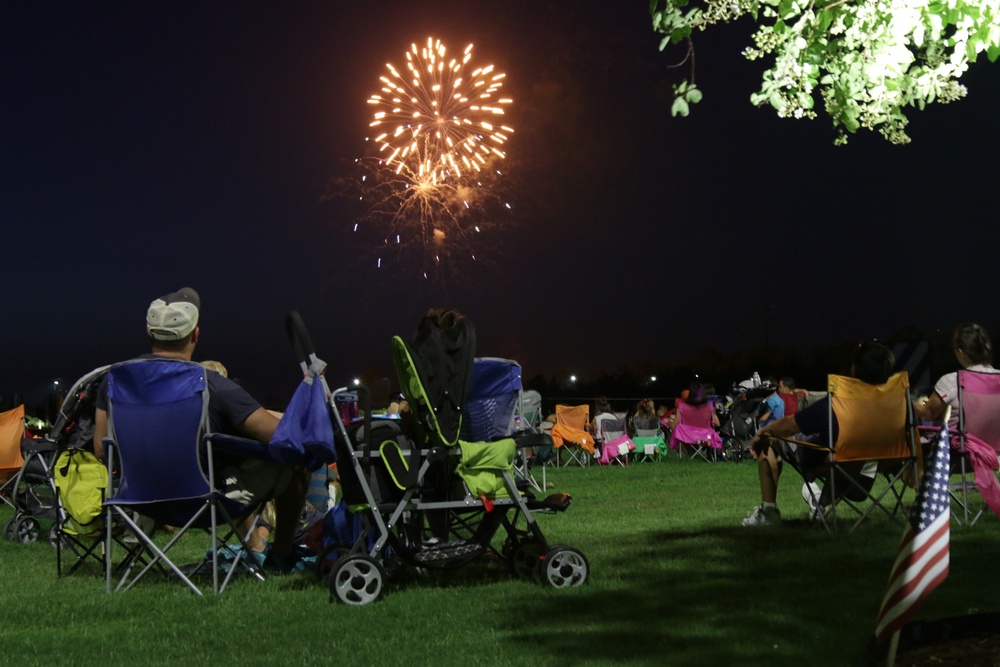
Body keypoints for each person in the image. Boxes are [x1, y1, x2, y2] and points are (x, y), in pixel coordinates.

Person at [93, 287, 308, 572]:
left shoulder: (114, 381)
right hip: (203, 501)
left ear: (150, 334)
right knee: (299, 461)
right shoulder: (210, 385)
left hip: (138, 499)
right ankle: (281, 556)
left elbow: (100, 449)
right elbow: (283, 437)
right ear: (195, 335)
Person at [741, 340, 895, 527]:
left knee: (771, 439)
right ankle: (820, 501)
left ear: (854, 370)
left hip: (831, 467)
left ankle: (768, 512)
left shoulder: (838, 404)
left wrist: (762, 433)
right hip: (866, 475)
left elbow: (790, 425)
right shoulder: (896, 407)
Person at [914, 322, 999, 429]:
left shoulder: (952, 381)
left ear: (960, 352)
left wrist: (918, 405)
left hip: (962, 445)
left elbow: (928, 414)